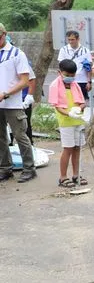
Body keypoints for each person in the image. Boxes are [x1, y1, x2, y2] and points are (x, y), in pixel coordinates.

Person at [0, 23, 36, 183]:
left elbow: (25, 81)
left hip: (12, 103)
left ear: (4, 34)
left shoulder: (16, 54)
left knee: (21, 136)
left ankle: (29, 168)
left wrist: (6, 94)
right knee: (0, 137)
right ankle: (5, 168)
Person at [48, 59, 87, 187]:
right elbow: (57, 106)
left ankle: (76, 175)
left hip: (77, 120)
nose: (70, 78)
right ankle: (63, 177)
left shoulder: (75, 85)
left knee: (77, 148)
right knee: (68, 148)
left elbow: (82, 102)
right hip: (66, 122)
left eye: (72, 75)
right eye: (67, 75)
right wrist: (69, 113)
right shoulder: (55, 85)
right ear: (60, 72)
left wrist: (80, 108)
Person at [58, 30, 93, 100]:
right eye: (69, 40)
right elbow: (61, 66)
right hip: (67, 80)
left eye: (72, 39)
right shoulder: (64, 50)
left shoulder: (85, 51)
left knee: (81, 101)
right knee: (68, 100)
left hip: (82, 80)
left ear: (78, 39)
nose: (71, 42)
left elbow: (89, 67)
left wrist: (89, 81)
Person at [20, 62, 36, 144]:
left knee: (25, 124)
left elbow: (32, 79)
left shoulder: (18, 56)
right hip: (4, 99)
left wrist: (29, 96)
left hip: (22, 99)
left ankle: (30, 146)